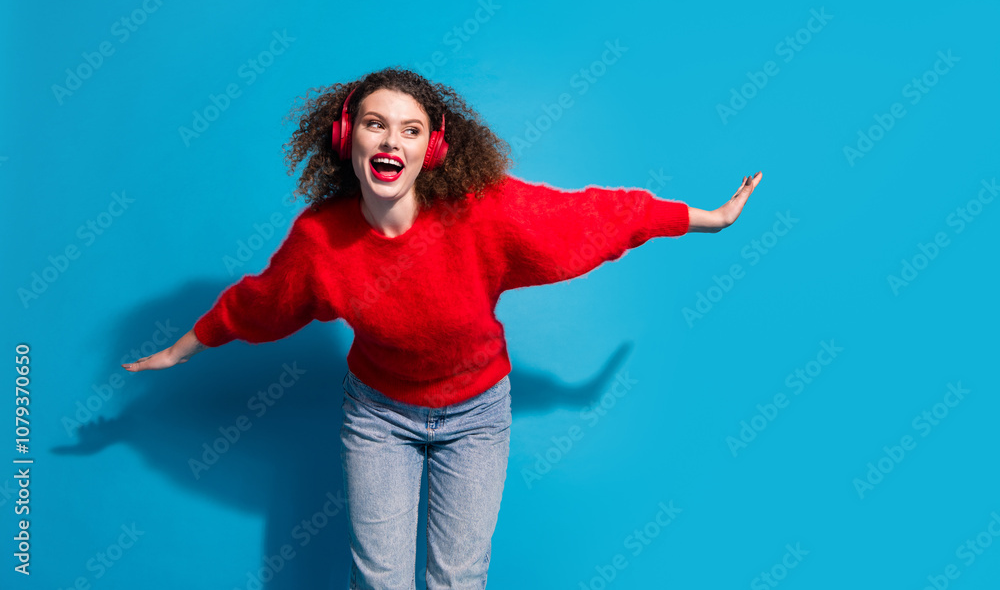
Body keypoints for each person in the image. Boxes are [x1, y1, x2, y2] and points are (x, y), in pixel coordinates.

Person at [122, 66, 762, 589]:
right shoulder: (321, 242)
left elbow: (593, 217)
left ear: (433, 148)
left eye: (410, 129)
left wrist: (707, 218)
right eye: (376, 124)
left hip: (478, 417)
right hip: (378, 417)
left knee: (457, 580)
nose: (391, 140)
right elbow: (261, 303)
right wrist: (182, 350)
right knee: (381, 583)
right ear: (349, 139)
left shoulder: (484, 215)